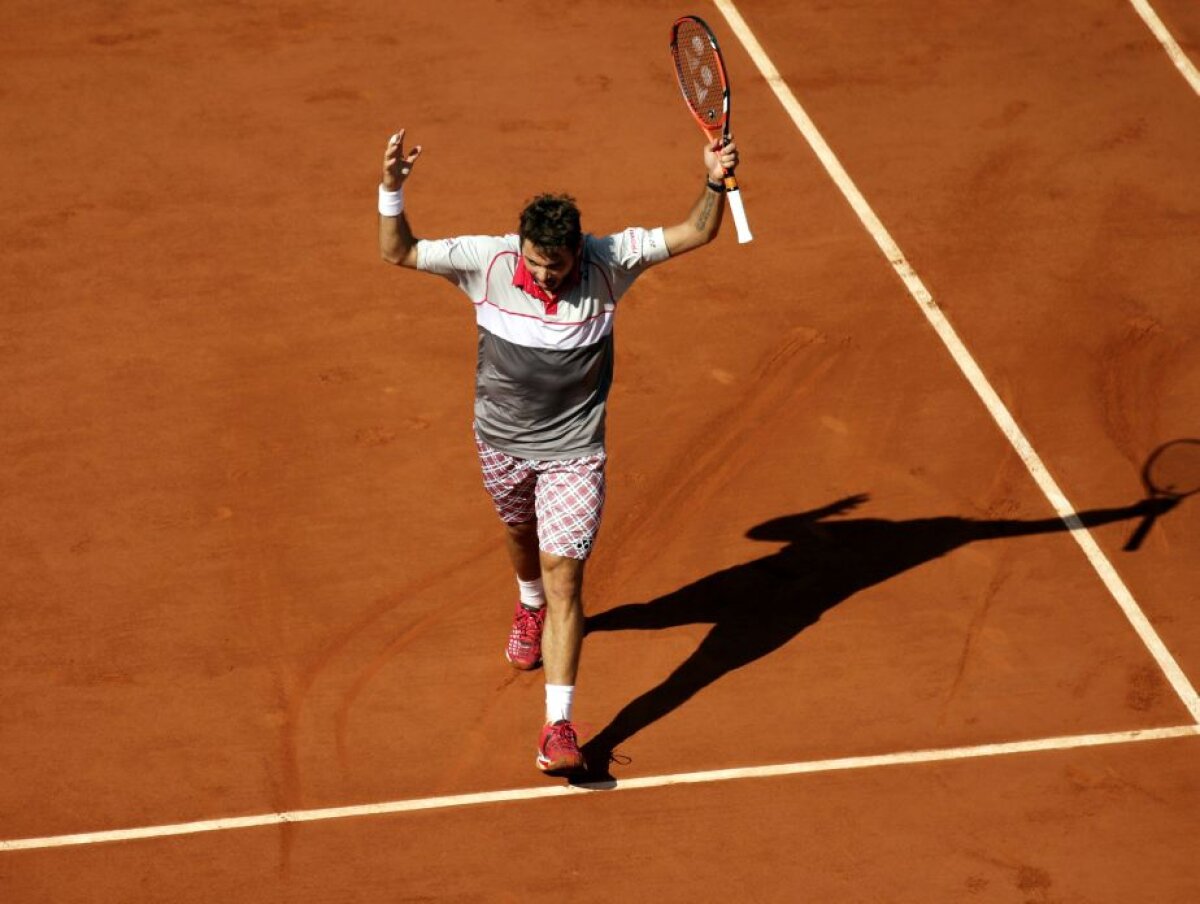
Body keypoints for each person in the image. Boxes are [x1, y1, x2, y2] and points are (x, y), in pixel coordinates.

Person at [377, 126, 741, 775]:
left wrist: (713, 180)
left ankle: (558, 727)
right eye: (535, 264)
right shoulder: (486, 262)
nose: (544, 277)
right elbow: (397, 253)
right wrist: (391, 191)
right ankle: (527, 604)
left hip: (575, 451)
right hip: (500, 440)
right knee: (519, 538)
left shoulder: (610, 260)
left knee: (567, 576)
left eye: (556, 266)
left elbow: (694, 232)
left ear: (579, 251)